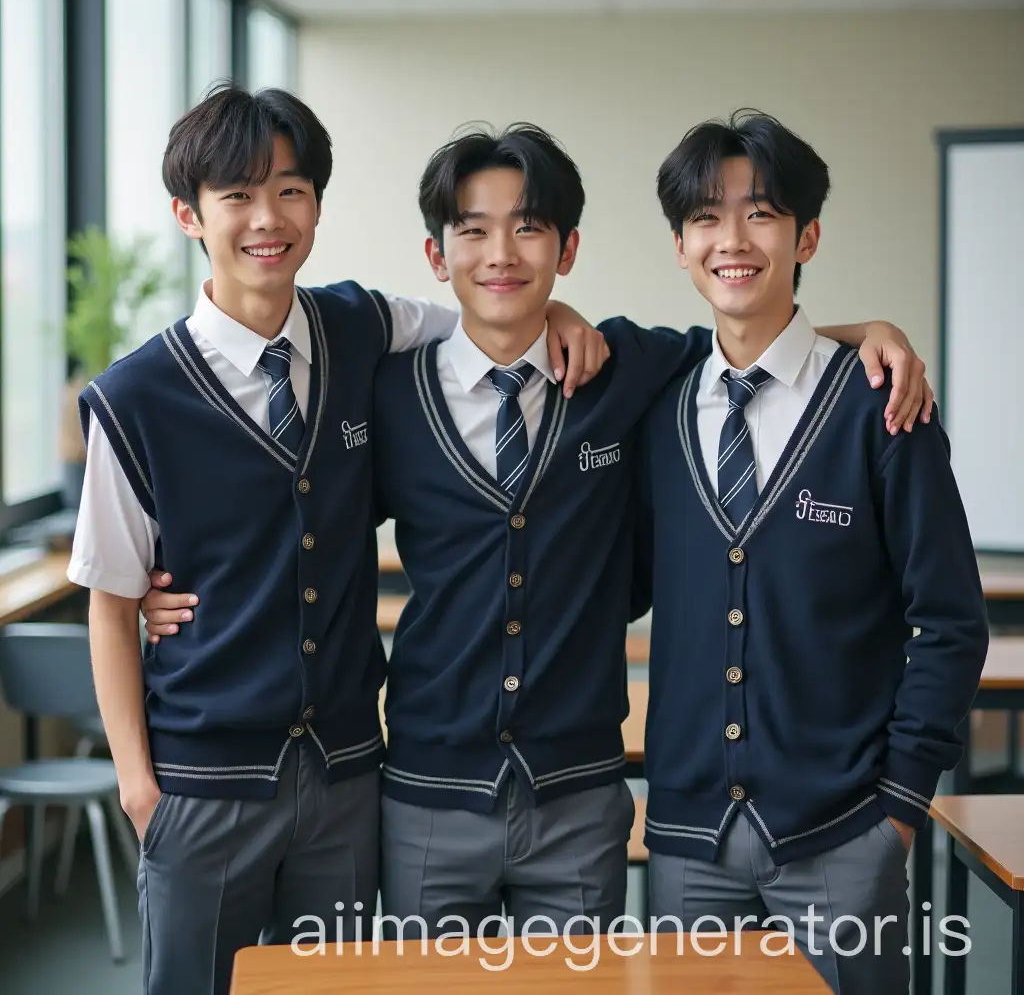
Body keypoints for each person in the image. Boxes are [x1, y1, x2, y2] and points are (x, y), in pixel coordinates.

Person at [140, 122, 931, 941]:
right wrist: (155, 596)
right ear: (437, 257)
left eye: (528, 228)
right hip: (427, 794)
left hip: (578, 794)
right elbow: (295, 520)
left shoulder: (623, 371)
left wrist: (869, 335)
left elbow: (745, 343)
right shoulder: (386, 391)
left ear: (568, 248)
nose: (502, 254)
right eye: (473, 231)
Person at [67, 86, 605, 995]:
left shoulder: (361, 326)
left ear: (316, 202)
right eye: (236, 195)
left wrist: (559, 316)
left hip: (349, 777)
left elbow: (486, 322)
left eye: (290, 189)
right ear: (189, 215)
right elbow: (113, 605)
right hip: (205, 783)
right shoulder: (135, 398)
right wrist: (139, 791)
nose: (266, 219)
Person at [636, 110, 988, 993]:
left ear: (808, 235)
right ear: (680, 245)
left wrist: (900, 809)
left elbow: (947, 620)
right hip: (687, 848)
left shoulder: (882, 408)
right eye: (707, 218)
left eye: (761, 213)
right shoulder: (656, 407)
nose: (734, 240)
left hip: (842, 837)